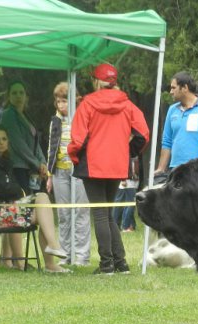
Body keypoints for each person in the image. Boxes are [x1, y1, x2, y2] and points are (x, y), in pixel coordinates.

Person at [68, 63, 149, 275]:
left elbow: (78, 138)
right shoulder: (127, 104)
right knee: (108, 214)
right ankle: (120, 263)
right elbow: (143, 134)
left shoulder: (87, 104)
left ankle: (106, 265)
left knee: (101, 215)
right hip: (116, 165)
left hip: (93, 165)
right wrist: (128, 152)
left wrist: (75, 157)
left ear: (96, 81)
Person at [0, 126, 68, 272]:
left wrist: (15, 190)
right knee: (41, 207)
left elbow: (11, 187)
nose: (1, 142)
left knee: (42, 202)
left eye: (4, 139)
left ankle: (50, 262)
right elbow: (0, 186)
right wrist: (16, 191)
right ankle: (49, 251)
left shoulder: (7, 160)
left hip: (10, 208)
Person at [47, 82, 90, 266]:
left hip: (79, 172)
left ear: (74, 101)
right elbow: (51, 147)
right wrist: (49, 174)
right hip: (59, 172)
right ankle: (65, 254)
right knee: (64, 214)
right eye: (58, 101)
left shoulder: (83, 118)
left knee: (80, 212)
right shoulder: (55, 121)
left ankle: (82, 256)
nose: (61, 105)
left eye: (65, 101)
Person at [155, 71, 198, 177]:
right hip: (175, 170)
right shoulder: (172, 110)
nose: (170, 92)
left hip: (196, 171)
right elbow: (167, 141)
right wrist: (161, 169)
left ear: (184, 88)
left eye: (173, 88)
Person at [0, 80, 47, 193]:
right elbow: (18, 143)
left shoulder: (26, 115)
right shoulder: (8, 115)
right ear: (9, 97)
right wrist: (37, 163)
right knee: (23, 204)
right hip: (18, 168)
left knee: (33, 203)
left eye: (21, 92)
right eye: (14, 93)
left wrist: (43, 162)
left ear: (26, 96)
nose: (18, 96)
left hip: (32, 169)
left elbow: (35, 141)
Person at [113, 157, 140, 232]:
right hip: (128, 182)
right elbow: (123, 164)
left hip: (128, 181)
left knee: (121, 203)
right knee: (130, 204)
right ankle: (125, 226)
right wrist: (123, 179)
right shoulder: (127, 152)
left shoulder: (132, 154)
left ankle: (118, 225)